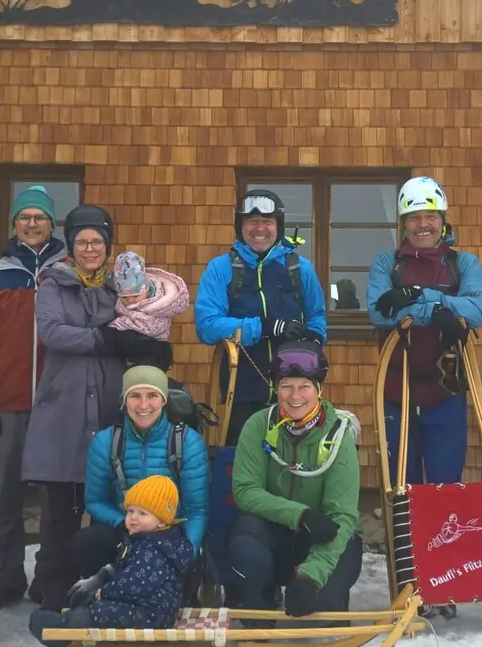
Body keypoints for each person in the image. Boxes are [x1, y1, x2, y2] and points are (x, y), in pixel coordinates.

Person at [22, 205, 173, 610]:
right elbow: (54, 333)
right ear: (70, 245)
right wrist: (108, 340)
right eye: (82, 241)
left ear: (108, 246)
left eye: (98, 241)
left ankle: (102, 590)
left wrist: (150, 345)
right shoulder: (53, 283)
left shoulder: (122, 285)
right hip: (63, 411)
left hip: (108, 405)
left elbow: (142, 320)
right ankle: (54, 591)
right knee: (59, 510)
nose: (90, 248)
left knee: (106, 503)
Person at [0, 186, 67, 607]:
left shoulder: (68, 270)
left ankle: (50, 578)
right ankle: (2, 577)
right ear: (14, 225)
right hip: (6, 403)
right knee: (3, 495)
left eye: (39, 217)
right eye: (24, 217)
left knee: (54, 501)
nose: (31, 224)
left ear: (50, 223)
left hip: (57, 405)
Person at [226, 340, 362, 625]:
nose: (295, 396)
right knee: (245, 538)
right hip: (273, 537)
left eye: (305, 387)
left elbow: (343, 515)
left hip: (321, 537)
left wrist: (312, 573)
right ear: (276, 388)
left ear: (318, 390)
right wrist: (299, 515)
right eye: (287, 386)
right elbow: (245, 491)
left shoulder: (338, 436)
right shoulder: (257, 425)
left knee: (326, 600)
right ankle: (259, 614)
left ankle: (329, 603)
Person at [367, 177, 482, 486]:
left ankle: (439, 536)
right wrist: (439, 311)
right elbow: (380, 313)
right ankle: (402, 536)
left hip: (445, 392)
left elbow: (475, 312)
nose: (423, 224)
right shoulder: (387, 264)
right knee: (399, 485)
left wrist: (419, 296)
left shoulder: (463, 264)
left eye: (430, 216)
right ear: (404, 224)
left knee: (444, 486)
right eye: (414, 217)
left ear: (443, 221)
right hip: (396, 390)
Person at [195, 189, 328, 446]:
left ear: (278, 226)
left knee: (295, 463)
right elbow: (207, 325)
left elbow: (317, 316)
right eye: (252, 221)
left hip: (295, 389)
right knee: (245, 463)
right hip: (241, 388)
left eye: (268, 222)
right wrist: (266, 327)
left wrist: (313, 340)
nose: (260, 228)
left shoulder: (300, 268)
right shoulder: (221, 268)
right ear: (240, 226)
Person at [28, 475, 196, 646]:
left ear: (161, 521)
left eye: (142, 513)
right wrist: (105, 577)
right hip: (145, 607)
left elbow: (134, 583)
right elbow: (126, 567)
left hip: (151, 614)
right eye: (130, 511)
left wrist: (106, 591)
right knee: (97, 605)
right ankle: (69, 622)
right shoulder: (145, 540)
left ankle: (65, 631)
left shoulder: (154, 550)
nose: (133, 517)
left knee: (101, 610)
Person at [79, 366, 209, 584]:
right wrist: (125, 522)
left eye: (152, 396)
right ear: (124, 402)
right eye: (135, 396)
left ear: (164, 400)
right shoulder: (106, 441)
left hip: (170, 533)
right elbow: (94, 500)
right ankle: (104, 595)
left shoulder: (187, 442)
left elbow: (198, 510)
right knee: (86, 541)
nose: (143, 405)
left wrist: (187, 554)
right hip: (124, 529)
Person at [109, 251, 189, 361]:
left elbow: (150, 326)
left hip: (152, 354)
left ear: (146, 290)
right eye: (124, 297)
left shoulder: (159, 304)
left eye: (136, 296)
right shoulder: (124, 303)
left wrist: (117, 325)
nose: (130, 300)